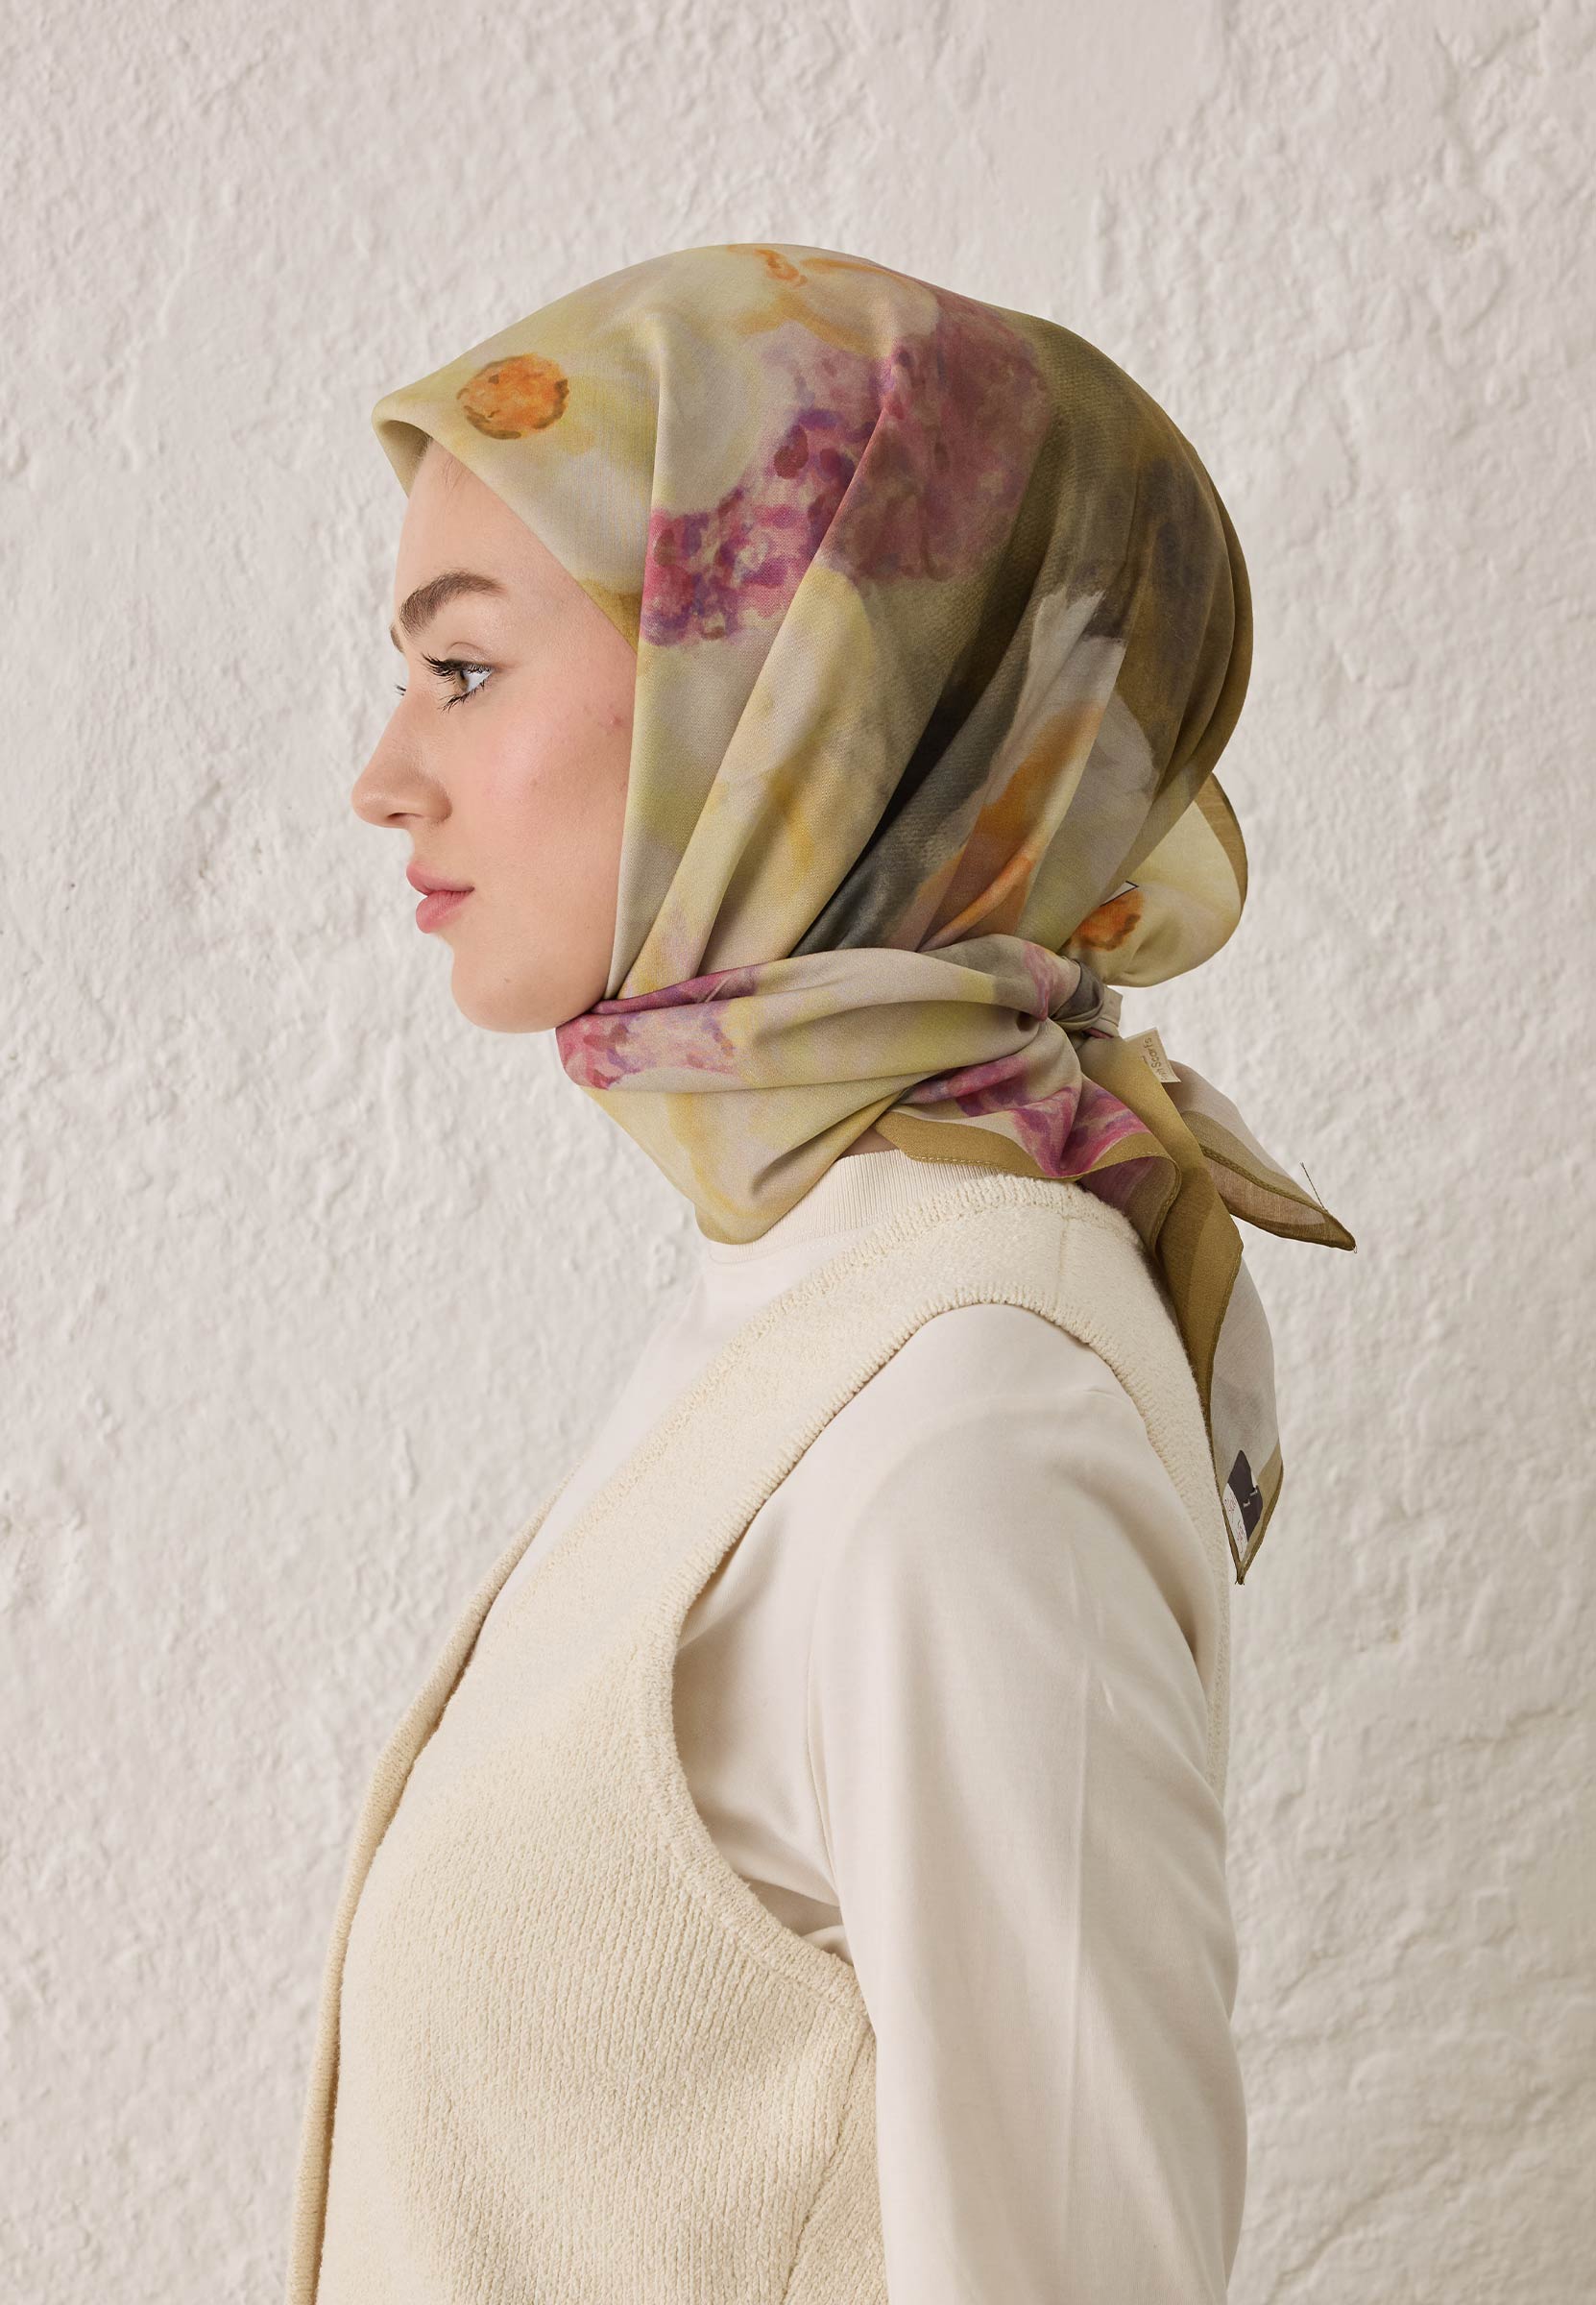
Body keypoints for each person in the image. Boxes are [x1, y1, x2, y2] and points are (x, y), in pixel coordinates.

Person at [284, 240, 1354, 2305]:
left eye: (464, 668)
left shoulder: (973, 1423)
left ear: (778, 692)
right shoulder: (795, 1297)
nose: (385, 772)